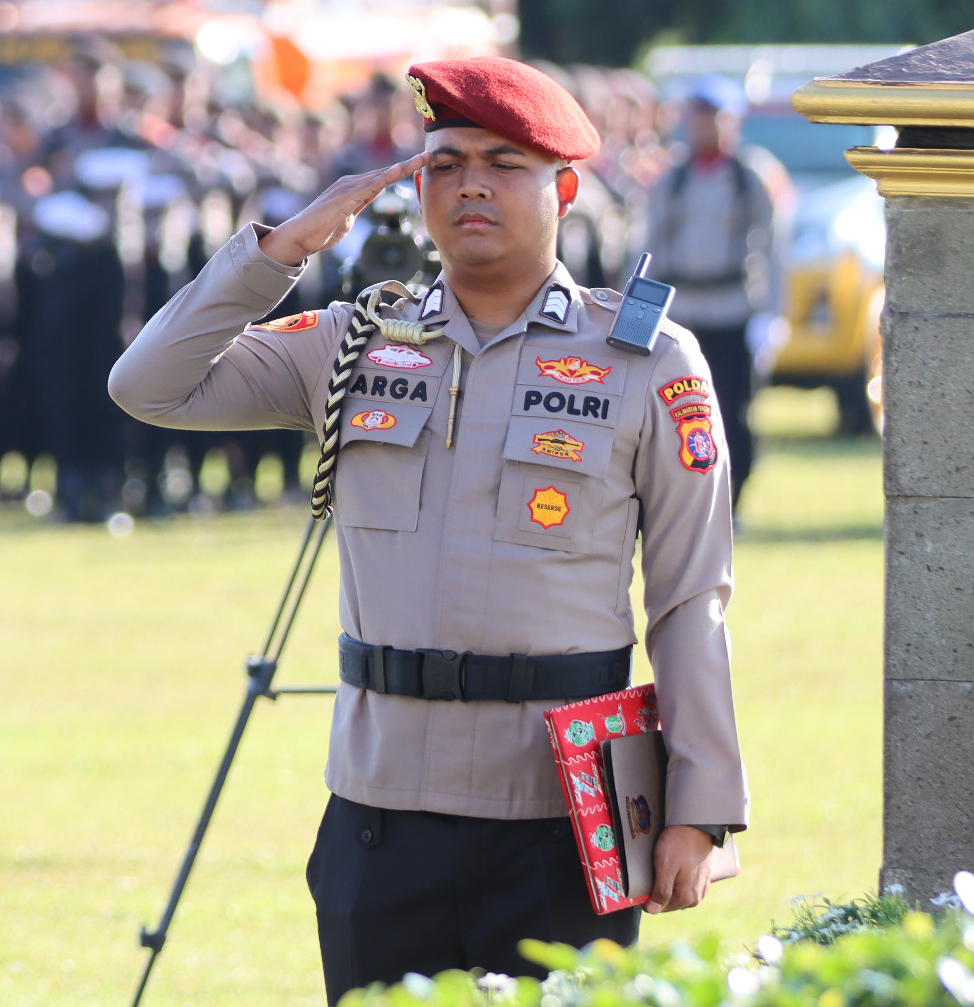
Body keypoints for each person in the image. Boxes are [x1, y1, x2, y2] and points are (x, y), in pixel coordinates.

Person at [108, 56, 746, 1000]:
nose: (470, 186)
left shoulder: (647, 363)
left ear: (564, 188)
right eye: (443, 164)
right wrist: (281, 249)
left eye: (502, 162)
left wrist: (701, 805)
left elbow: (693, 596)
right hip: (383, 814)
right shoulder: (357, 339)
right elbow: (147, 385)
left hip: (562, 819)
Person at [644, 77, 788, 505]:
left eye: (714, 117)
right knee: (676, 410)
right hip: (684, 310)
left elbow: (774, 248)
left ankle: (734, 495)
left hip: (732, 309)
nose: (705, 127)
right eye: (698, 117)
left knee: (731, 409)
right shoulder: (672, 179)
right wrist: (638, 314)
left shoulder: (751, 176)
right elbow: (649, 248)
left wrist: (771, 315)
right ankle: (683, 495)